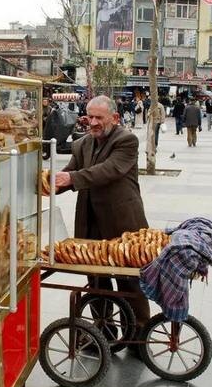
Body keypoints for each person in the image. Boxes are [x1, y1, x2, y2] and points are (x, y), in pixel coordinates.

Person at [54, 95, 150, 334]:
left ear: (115, 118)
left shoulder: (126, 141)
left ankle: (138, 333)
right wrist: (48, 185)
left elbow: (108, 171)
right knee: (96, 281)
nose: (93, 122)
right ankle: (103, 331)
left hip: (123, 223)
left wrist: (72, 178)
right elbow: (69, 173)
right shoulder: (82, 144)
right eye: (90, 117)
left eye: (99, 117)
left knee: (129, 281)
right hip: (90, 223)